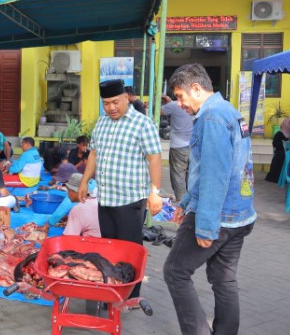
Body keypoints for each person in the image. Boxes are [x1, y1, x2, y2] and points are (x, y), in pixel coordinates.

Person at [163, 63, 257, 335]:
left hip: (218, 217)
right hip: (239, 216)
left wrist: (205, 226)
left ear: (196, 88)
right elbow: (213, 169)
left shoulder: (211, 117)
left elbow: (216, 175)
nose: (179, 104)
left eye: (180, 96)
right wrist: (184, 202)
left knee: (174, 272)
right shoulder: (229, 111)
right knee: (224, 280)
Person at [77, 78, 162, 300]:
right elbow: (93, 153)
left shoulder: (143, 124)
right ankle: (113, 290)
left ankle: (132, 296)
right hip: (105, 199)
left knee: (130, 250)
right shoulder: (102, 123)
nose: (111, 108)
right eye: (106, 103)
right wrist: (85, 180)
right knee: (110, 248)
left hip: (130, 201)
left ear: (126, 97)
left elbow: (154, 158)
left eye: (115, 102)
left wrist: (155, 191)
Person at [161, 94, 195, 201]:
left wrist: (168, 102)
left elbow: (159, 111)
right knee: (191, 173)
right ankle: (190, 199)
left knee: (178, 174)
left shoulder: (175, 105)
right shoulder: (195, 104)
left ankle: (181, 200)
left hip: (178, 146)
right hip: (193, 144)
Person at [265, 117, 290, 183]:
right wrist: (285, 143)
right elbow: (275, 144)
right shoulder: (279, 134)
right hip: (281, 151)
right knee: (281, 156)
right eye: (289, 124)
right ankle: (280, 178)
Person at [63, 173, 101, 238]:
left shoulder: (78, 209)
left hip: (92, 245)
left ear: (77, 191)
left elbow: (69, 239)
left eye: (69, 190)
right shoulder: (97, 200)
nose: (68, 193)